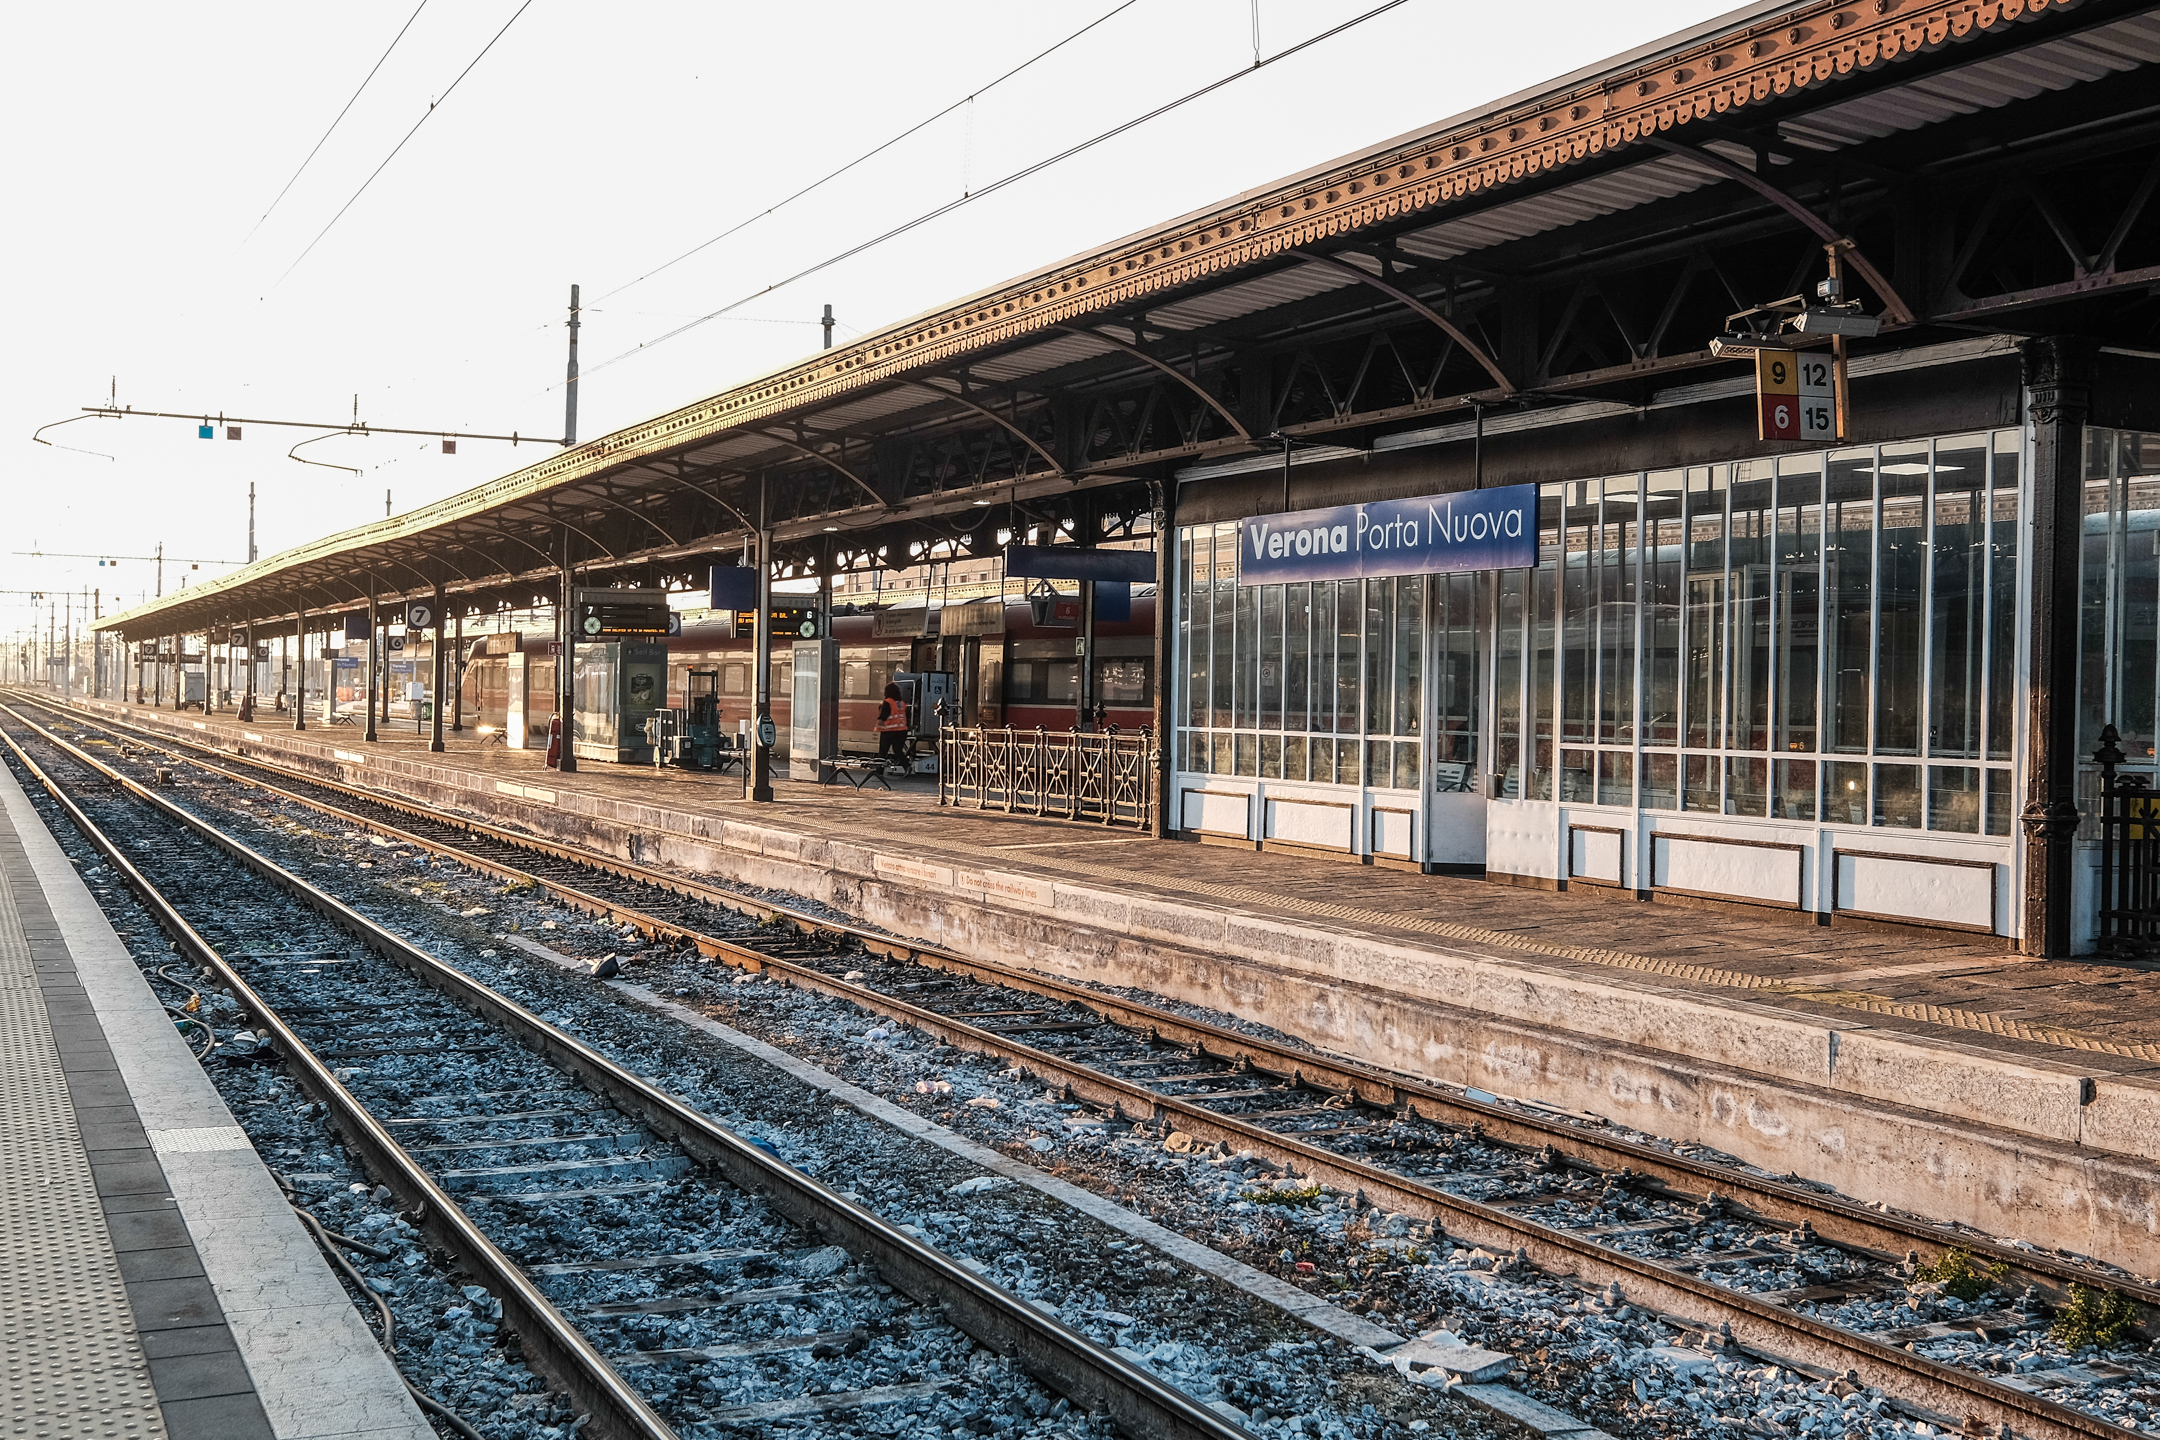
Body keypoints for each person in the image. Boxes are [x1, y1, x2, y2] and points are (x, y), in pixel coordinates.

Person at [875, 682, 909, 767]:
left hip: (889, 731)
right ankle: (907, 766)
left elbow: (884, 715)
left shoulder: (888, 702)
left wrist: (879, 723)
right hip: (902, 731)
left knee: (883, 752)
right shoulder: (902, 703)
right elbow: (907, 716)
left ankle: (879, 770)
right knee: (898, 751)